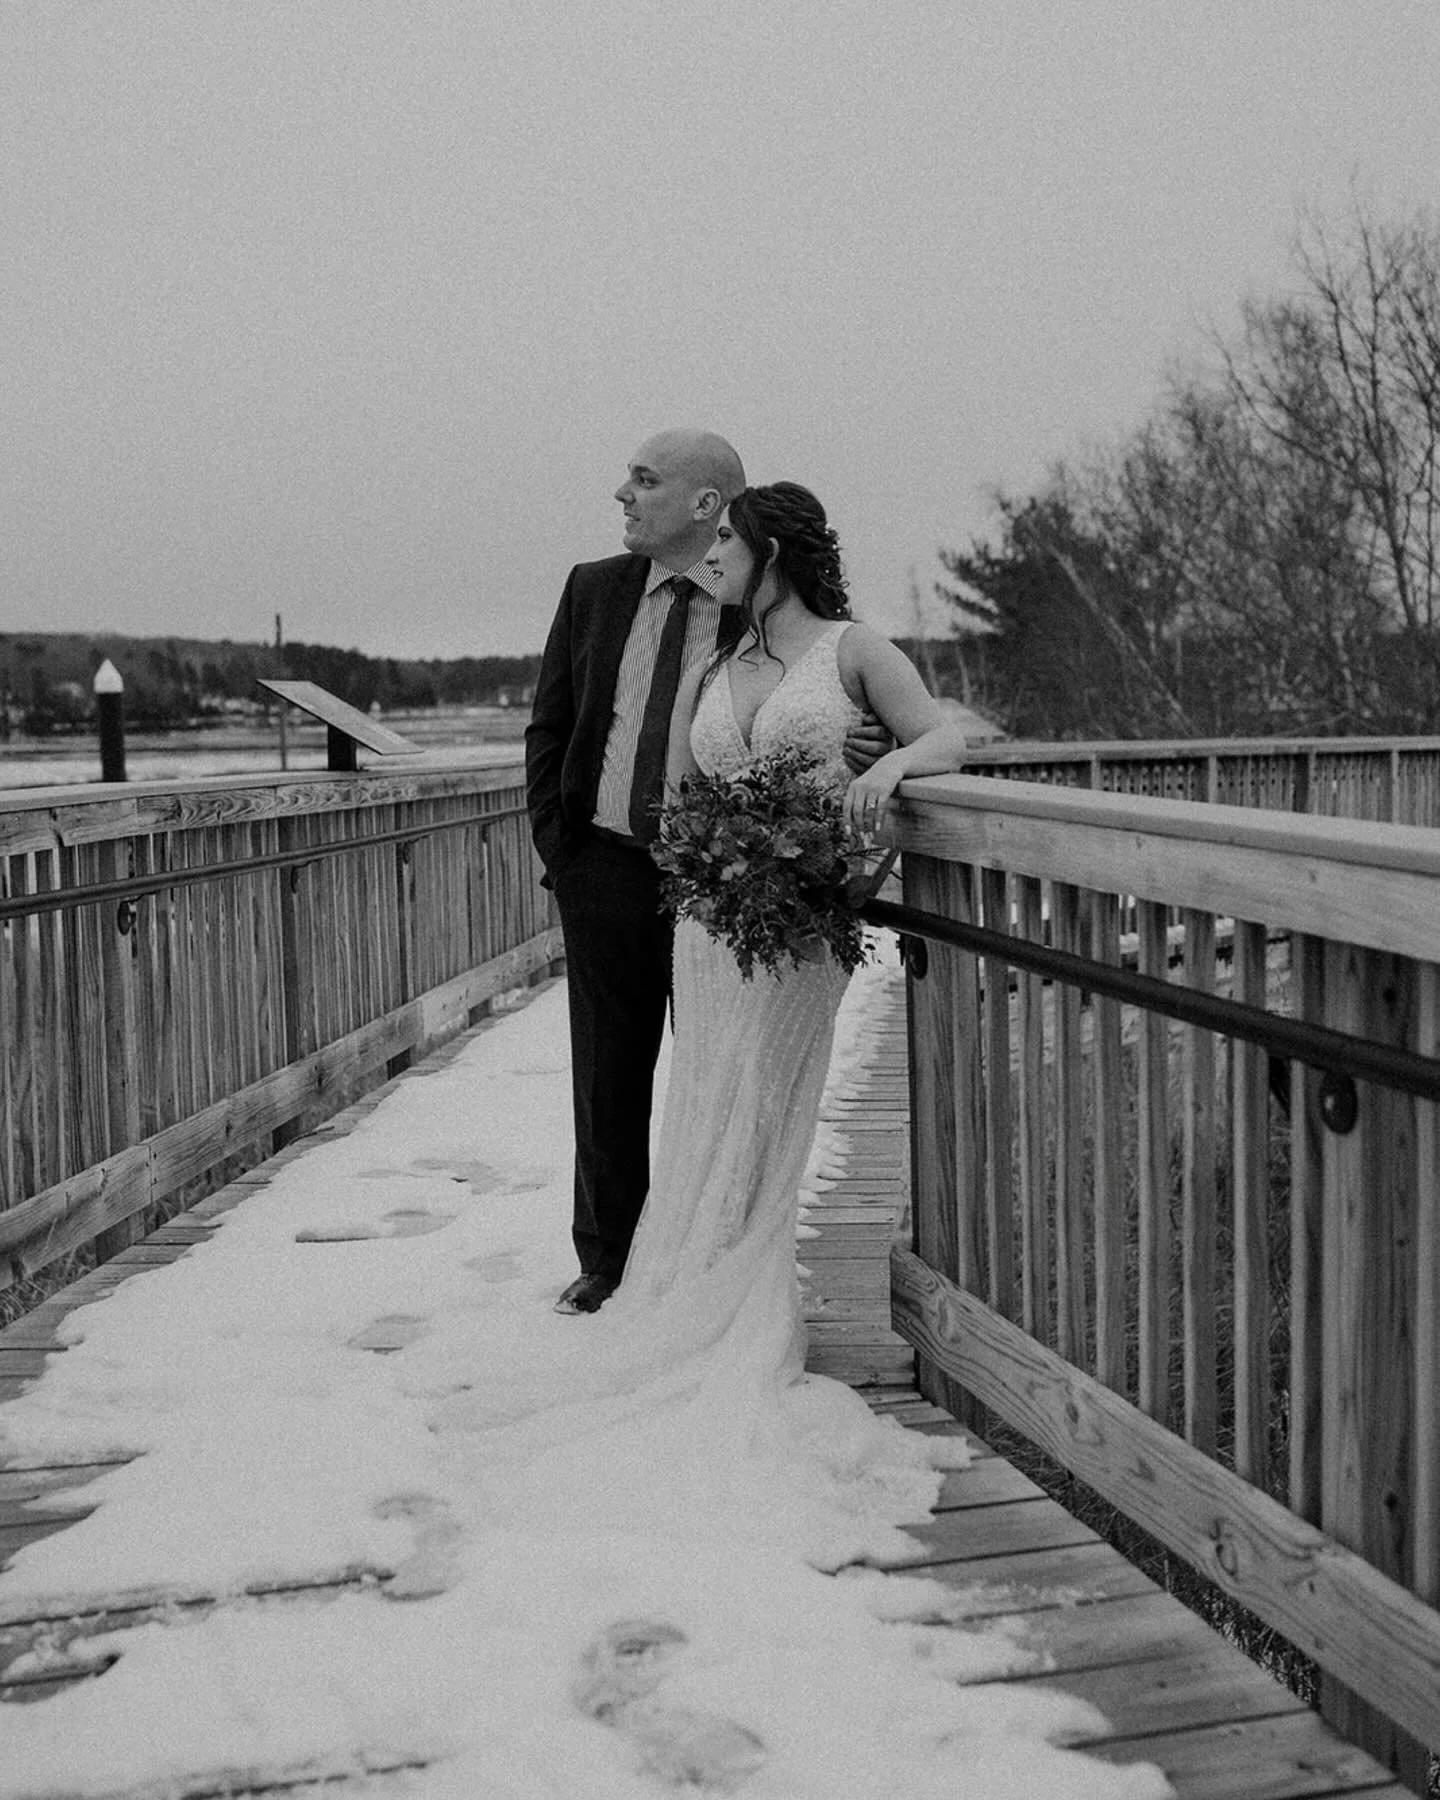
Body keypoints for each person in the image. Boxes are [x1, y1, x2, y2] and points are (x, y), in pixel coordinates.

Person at [526, 432, 886, 1315]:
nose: (622, 494)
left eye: (643, 480)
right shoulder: (592, 590)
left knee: (721, 1068)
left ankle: (716, 1254)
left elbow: (834, 692)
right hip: (605, 865)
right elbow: (551, 726)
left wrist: (866, 743)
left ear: (706, 505)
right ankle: (609, 1260)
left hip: (730, 886)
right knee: (607, 1071)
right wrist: (562, 853)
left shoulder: (762, 603)